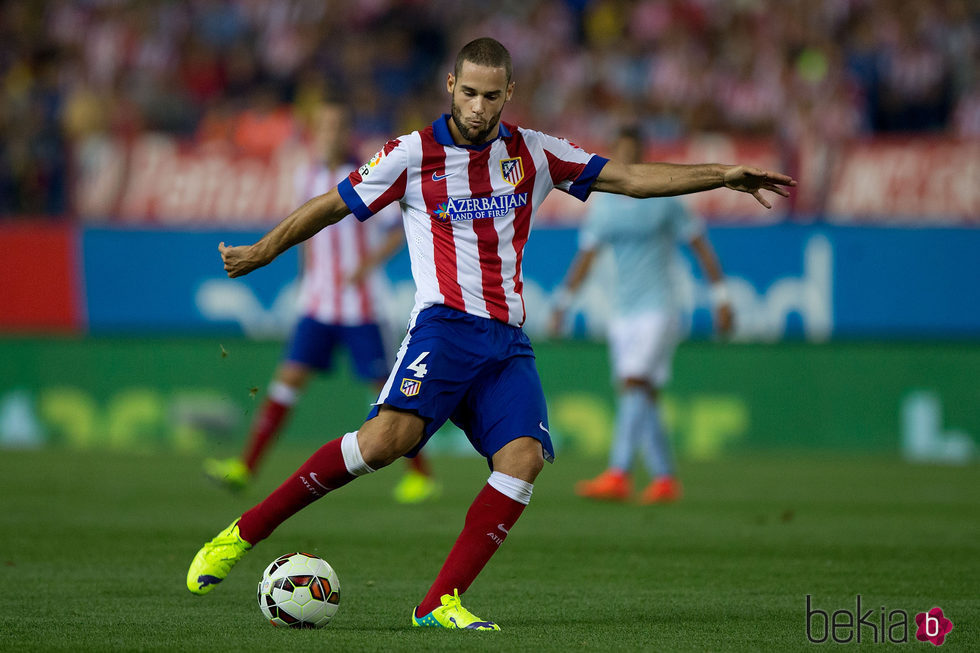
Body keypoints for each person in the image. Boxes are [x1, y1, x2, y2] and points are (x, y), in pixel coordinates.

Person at [186, 37, 795, 631]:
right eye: (469, 93)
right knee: (382, 445)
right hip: (444, 330)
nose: (479, 107)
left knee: (523, 458)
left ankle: (439, 603)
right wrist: (265, 250)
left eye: (492, 96)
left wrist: (722, 175)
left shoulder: (533, 152)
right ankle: (242, 534)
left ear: (510, 94)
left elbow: (630, 179)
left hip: (506, 343)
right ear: (451, 85)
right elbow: (331, 203)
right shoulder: (410, 153)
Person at [203, 102, 439, 504]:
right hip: (318, 304)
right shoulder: (306, 176)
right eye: (325, 126)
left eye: (338, 126)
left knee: (389, 394)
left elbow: (397, 231)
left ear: (347, 132)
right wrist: (304, 281)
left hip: (361, 307)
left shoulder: (367, 175)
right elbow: (302, 232)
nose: (331, 134)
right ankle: (245, 467)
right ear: (317, 131)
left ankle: (421, 474)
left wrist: (367, 265)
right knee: (286, 380)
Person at [550, 126, 734, 505]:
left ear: (644, 154)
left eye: (633, 152)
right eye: (621, 153)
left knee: (635, 383)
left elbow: (700, 245)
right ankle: (665, 479)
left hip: (661, 306)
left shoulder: (664, 199)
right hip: (622, 311)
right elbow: (587, 255)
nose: (627, 160)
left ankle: (618, 473)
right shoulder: (604, 204)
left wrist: (721, 297)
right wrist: (564, 303)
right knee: (641, 394)